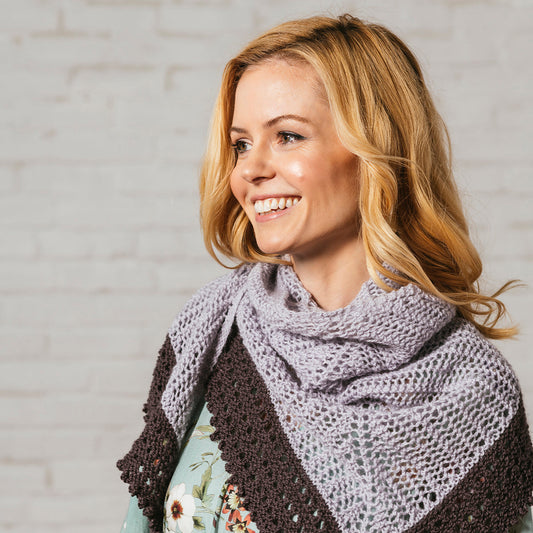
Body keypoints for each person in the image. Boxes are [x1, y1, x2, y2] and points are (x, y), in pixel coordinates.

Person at [117, 14, 533, 533]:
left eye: (287, 136)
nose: (248, 169)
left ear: (374, 150)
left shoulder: (471, 393)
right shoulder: (214, 332)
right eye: (241, 144)